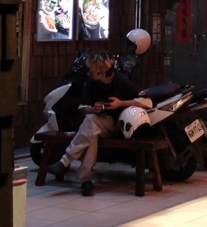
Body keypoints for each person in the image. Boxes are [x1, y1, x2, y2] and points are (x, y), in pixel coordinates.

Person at [52, 52, 151, 195]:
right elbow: (82, 108)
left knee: (90, 122)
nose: (90, 72)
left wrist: (120, 104)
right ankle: (85, 181)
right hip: (98, 122)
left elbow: (147, 101)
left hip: (118, 124)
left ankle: (65, 161)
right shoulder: (92, 83)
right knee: (91, 132)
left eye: (92, 70)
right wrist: (94, 108)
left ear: (101, 72)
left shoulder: (120, 80)